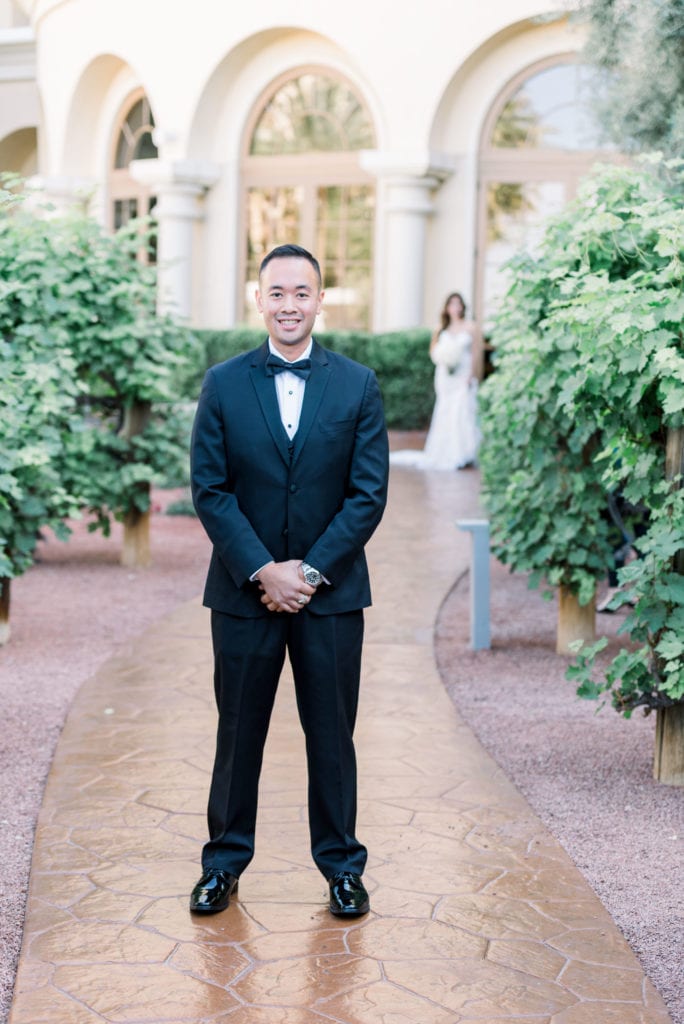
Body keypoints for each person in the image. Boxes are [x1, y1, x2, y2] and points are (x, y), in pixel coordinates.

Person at [188, 243, 389, 918]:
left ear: (320, 300)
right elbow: (210, 489)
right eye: (277, 292)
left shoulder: (358, 385)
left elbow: (367, 494)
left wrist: (306, 572)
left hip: (330, 597)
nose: (289, 305)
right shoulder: (223, 383)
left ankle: (343, 869)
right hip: (242, 595)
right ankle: (222, 865)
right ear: (259, 300)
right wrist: (261, 569)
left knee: (332, 737)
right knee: (238, 734)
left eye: (302, 292)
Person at [390, 292, 481, 470]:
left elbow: (476, 354)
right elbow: (434, 351)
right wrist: (443, 357)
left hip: (463, 375)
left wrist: (472, 375)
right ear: (446, 308)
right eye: (452, 304)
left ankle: (466, 452)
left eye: (458, 304)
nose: (455, 307)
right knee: (446, 411)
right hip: (445, 377)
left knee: (462, 411)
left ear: (463, 306)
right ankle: (448, 451)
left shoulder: (471, 327)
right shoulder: (441, 329)